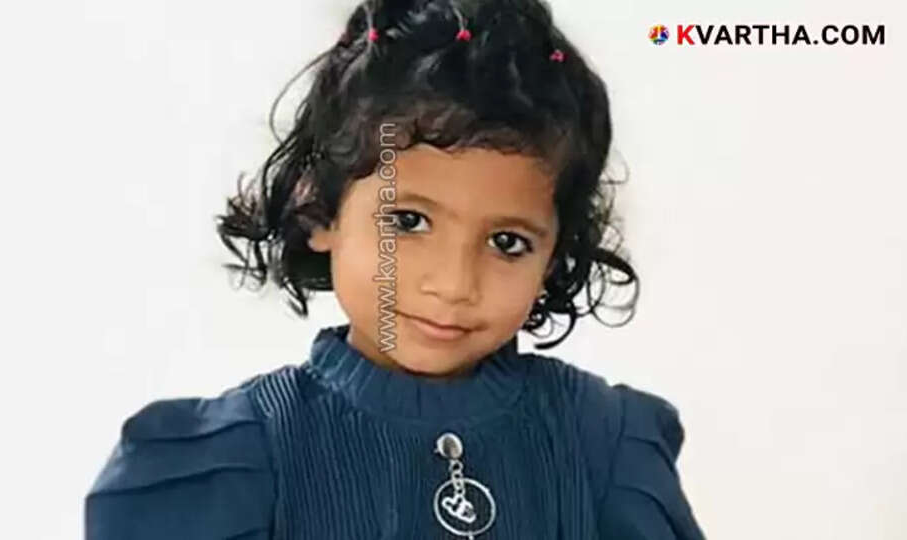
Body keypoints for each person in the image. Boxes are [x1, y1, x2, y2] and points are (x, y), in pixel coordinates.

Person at [84, 0, 708, 538]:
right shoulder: (235, 464)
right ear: (319, 206)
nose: (454, 284)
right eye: (407, 222)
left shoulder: (607, 449)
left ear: (555, 253)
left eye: (508, 241)